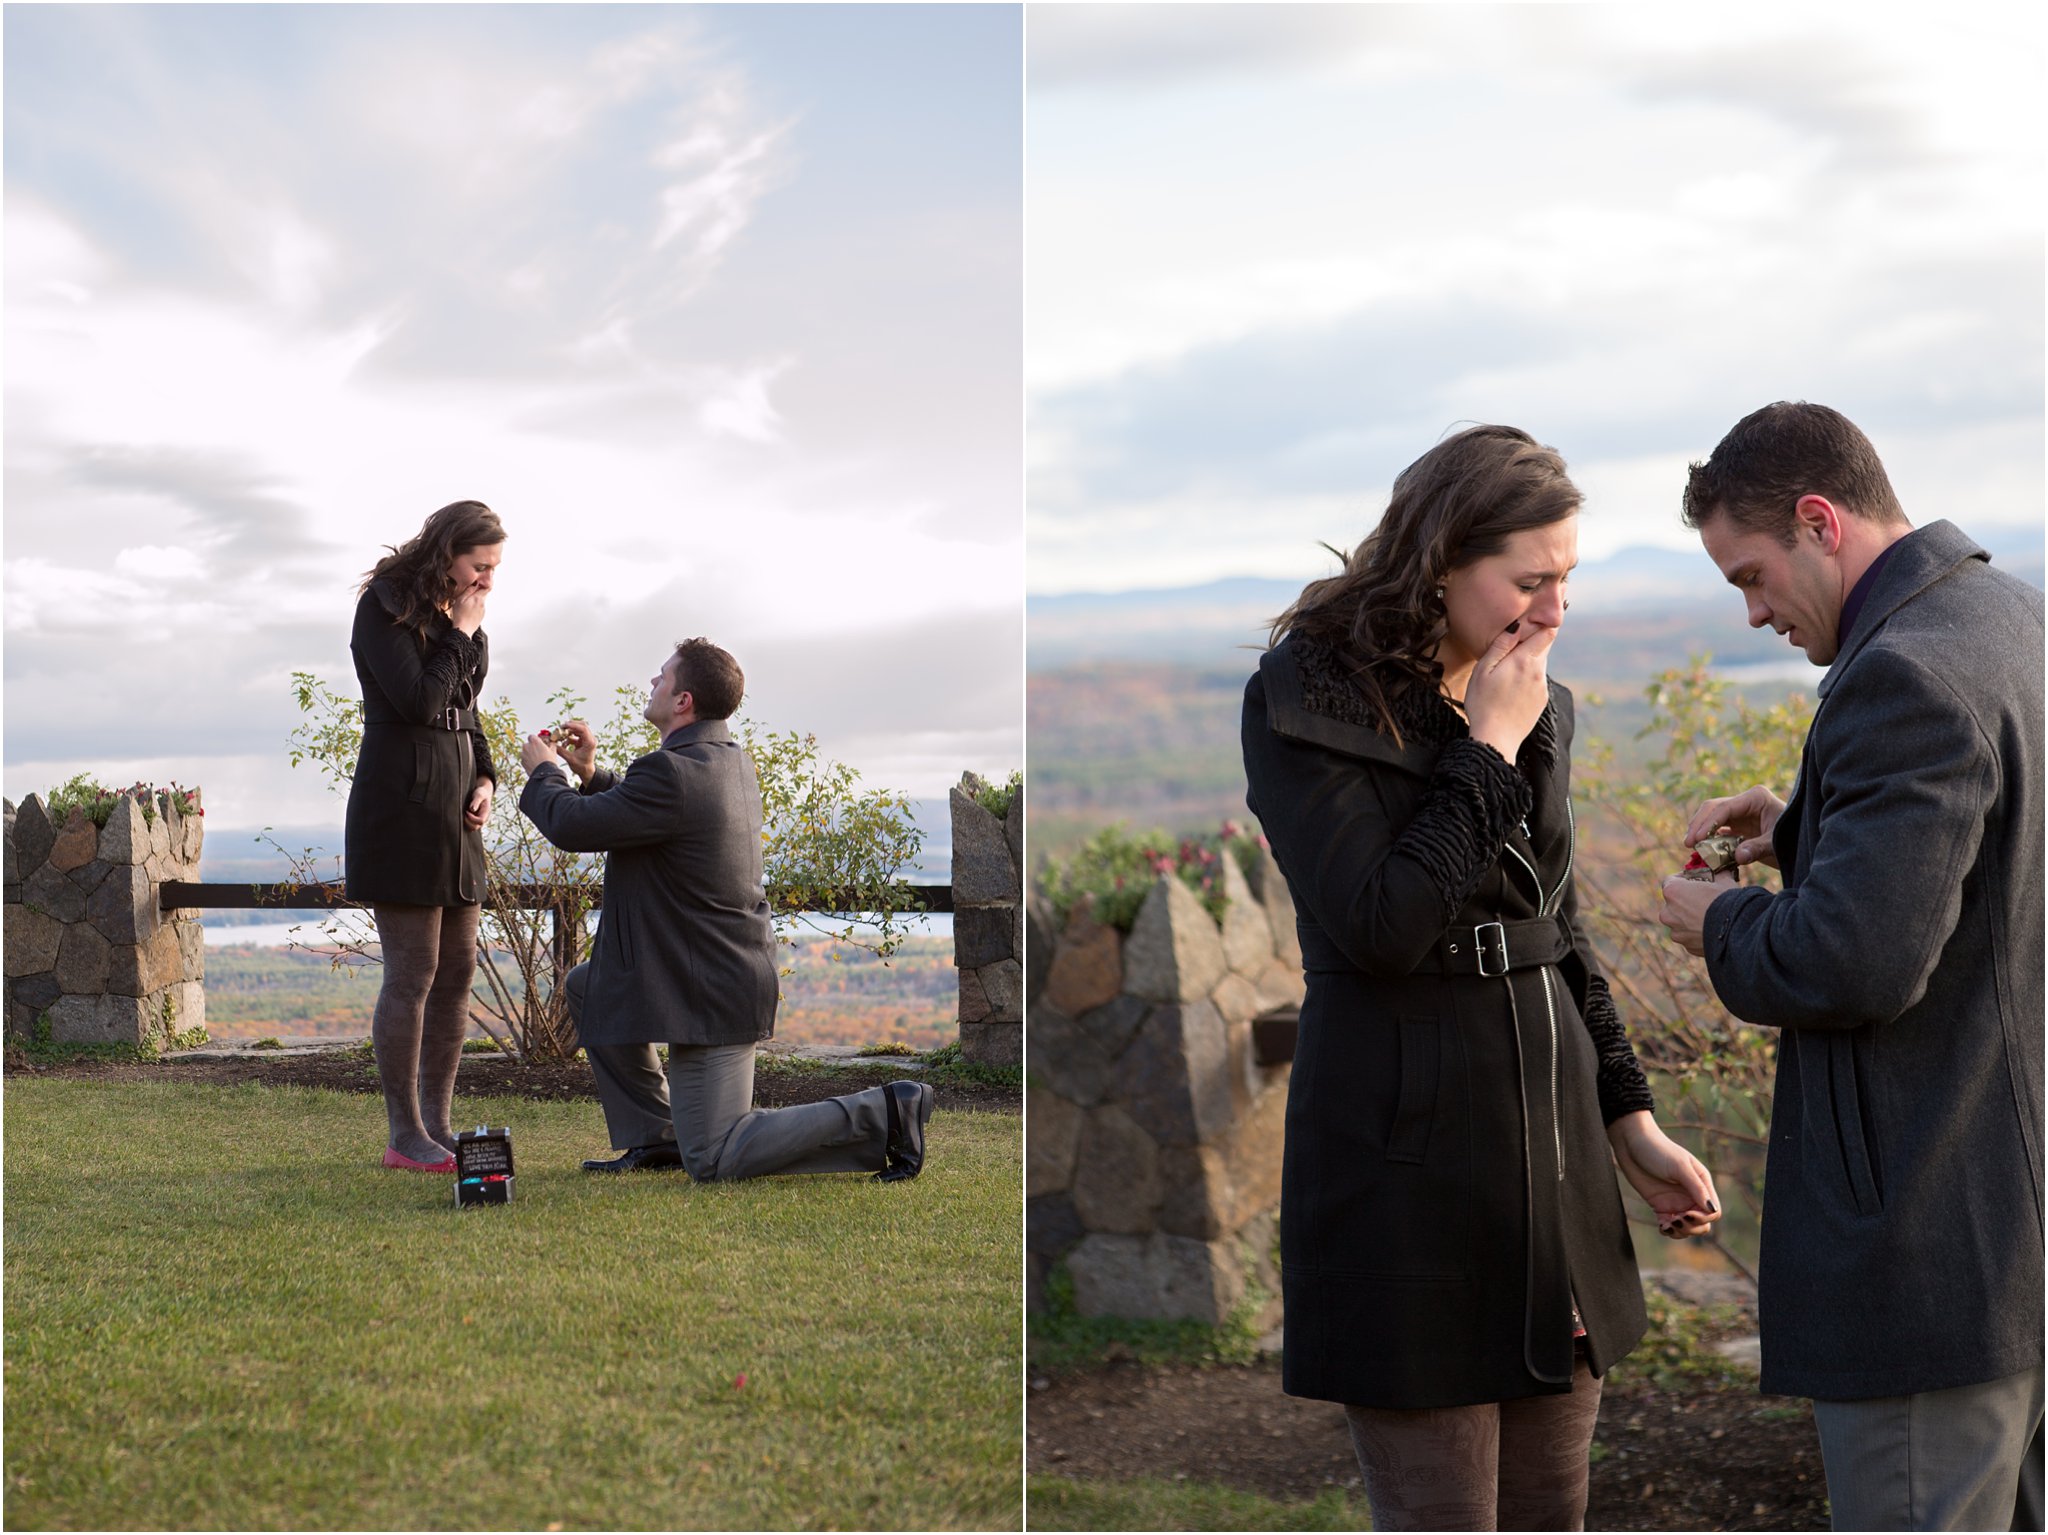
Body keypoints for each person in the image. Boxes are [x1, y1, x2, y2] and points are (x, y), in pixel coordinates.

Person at [1240, 424, 1720, 1531]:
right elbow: (1381, 926)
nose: (1554, 611)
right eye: (1530, 580)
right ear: (1439, 560)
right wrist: (1488, 748)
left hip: (1554, 1170)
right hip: (1404, 1172)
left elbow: (1557, 926)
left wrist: (1629, 1119)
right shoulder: (1305, 697)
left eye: (1567, 579)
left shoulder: (1538, 698)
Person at [1657, 401, 2044, 1531]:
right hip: (2017, 1250)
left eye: (1751, 574)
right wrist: (1802, 829)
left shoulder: (1904, 674)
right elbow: (1990, 869)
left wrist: (1721, 921)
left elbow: (1850, 965)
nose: (1752, 611)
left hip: (1929, 1263)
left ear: (1819, 521)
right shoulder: (2009, 617)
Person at [516, 637, 933, 1183]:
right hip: (701, 972)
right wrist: (593, 775)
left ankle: (888, 1111)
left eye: (662, 676)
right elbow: (648, 813)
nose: (652, 682)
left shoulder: (674, 772)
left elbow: (573, 826)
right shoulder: (723, 760)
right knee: (589, 985)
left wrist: (545, 771)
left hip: (710, 989)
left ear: (683, 700)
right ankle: (657, 1137)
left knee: (713, 1156)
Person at [345, 499, 504, 1173]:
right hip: (401, 809)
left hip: (456, 816)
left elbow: (466, 712)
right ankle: (404, 1133)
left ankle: (438, 1123)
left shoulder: (455, 619)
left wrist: (486, 776)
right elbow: (420, 701)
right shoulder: (385, 606)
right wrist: (462, 631)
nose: (487, 580)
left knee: (458, 971)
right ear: (446, 554)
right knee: (413, 973)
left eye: (495, 568)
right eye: (479, 566)